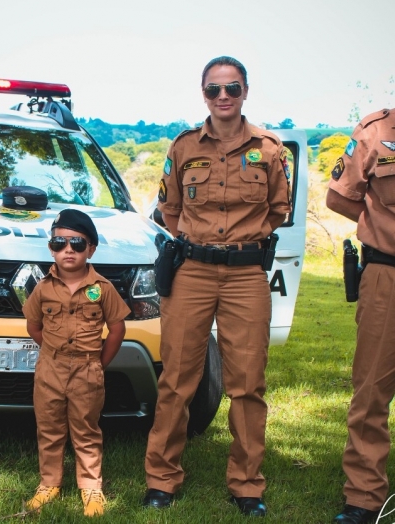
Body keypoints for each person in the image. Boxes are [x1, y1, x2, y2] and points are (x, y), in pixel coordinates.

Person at [143, 56, 291, 516]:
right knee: (177, 380)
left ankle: (247, 485)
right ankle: (161, 479)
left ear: (245, 90)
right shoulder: (184, 146)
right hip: (192, 271)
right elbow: (169, 210)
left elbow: (277, 210)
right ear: (202, 93)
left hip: (246, 275)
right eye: (213, 90)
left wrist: (240, 244)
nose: (222, 97)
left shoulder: (269, 149)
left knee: (247, 384)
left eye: (231, 88)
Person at [23, 209, 131, 517]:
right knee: (49, 428)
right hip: (50, 370)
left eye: (77, 243)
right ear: (51, 248)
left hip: (87, 370)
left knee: (86, 430)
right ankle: (49, 484)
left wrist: (98, 362)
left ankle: (91, 488)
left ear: (91, 249)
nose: (68, 249)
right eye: (59, 243)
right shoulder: (43, 288)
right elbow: (33, 325)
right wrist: (53, 353)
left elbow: (118, 329)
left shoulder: (104, 289)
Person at [326, 108, 395, 524]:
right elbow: (339, 196)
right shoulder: (377, 131)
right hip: (388, 272)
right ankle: (364, 499)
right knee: (371, 387)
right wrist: (380, 224)